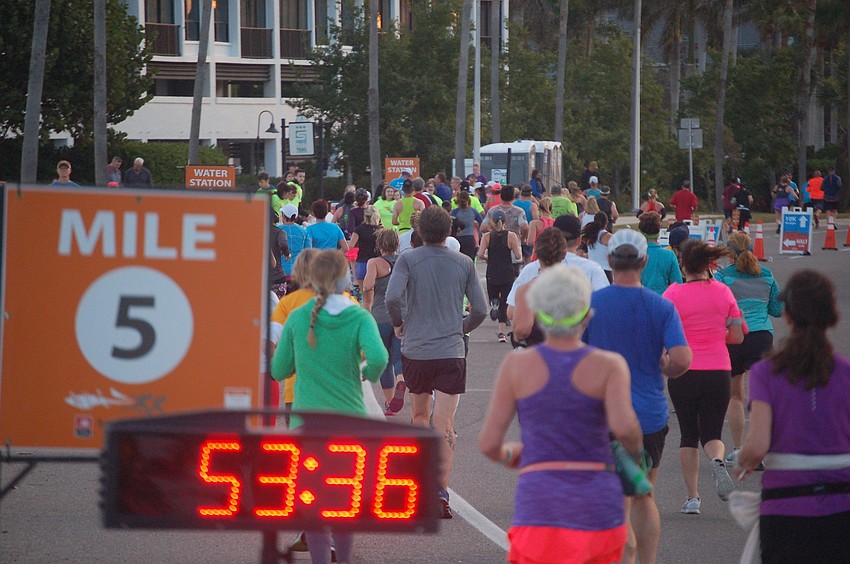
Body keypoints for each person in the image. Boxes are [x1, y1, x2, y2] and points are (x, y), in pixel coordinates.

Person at [479, 264, 644, 564]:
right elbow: (625, 428)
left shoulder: (517, 367)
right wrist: (633, 457)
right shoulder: (609, 365)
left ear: (540, 314)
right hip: (597, 501)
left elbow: (490, 444)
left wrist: (514, 454)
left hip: (540, 501)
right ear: (587, 315)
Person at [271, 250, 387, 564]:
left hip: (306, 424)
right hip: (350, 422)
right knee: (344, 502)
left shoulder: (297, 316)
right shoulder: (358, 315)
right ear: (344, 278)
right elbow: (378, 358)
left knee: (313, 503)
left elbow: (279, 370)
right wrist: (366, 374)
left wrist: (300, 364)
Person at [583, 227, 692, 562]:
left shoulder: (590, 305)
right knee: (644, 494)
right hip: (648, 415)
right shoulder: (661, 306)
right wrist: (664, 366)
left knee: (611, 498)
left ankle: (622, 554)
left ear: (610, 261)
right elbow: (682, 360)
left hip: (602, 416)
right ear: (644, 261)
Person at [735, 270, 850, 564]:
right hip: (842, 505)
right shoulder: (846, 373)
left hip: (785, 506)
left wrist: (745, 461)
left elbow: (757, 445)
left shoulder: (766, 373)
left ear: (786, 315)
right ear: (832, 316)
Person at [385, 206, 488, 519]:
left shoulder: (408, 259)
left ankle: (419, 484)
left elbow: (391, 297)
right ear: (450, 231)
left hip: (416, 348)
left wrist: (399, 323)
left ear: (420, 232)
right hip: (450, 350)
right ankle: (441, 491)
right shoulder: (463, 263)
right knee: (445, 423)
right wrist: (461, 328)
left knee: (419, 415)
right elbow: (481, 309)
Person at [663, 240, 745, 512]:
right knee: (711, 432)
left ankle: (693, 498)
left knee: (688, 433)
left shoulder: (672, 295)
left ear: (682, 264)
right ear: (709, 264)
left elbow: (662, 335)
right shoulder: (724, 293)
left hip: (684, 370)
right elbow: (737, 335)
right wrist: (714, 336)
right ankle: (718, 460)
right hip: (719, 370)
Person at [715, 232, 783, 461]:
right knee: (760, 396)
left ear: (729, 254)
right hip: (762, 337)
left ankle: (737, 448)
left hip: (735, 336)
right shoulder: (767, 275)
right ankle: (760, 449)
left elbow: (718, 309)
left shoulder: (723, 276)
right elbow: (778, 310)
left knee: (735, 395)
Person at [361, 229, 406, 416]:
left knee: (385, 360)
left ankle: (389, 403)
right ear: (397, 244)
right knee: (398, 356)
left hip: (380, 315)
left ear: (379, 244)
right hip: (403, 315)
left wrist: (367, 300)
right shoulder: (405, 262)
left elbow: (367, 285)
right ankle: (401, 378)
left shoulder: (374, 263)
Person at [510, 227, 567, 348]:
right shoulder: (578, 287)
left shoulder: (528, 290)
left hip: (538, 355)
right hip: (571, 356)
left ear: (536, 252)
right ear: (563, 254)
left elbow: (522, 329)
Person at [478, 209, 522, 343]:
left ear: (491, 221)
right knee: (505, 304)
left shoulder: (486, 236)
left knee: (494, 296)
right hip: (507, 272)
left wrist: (488, 258)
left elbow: (480, 254)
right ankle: (502, 333)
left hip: (492, 271)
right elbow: (518, 256)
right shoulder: (511, 236)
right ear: (505, 221)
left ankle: (493, 303)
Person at [639, 212, 682, 294]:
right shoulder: (669, 255)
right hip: (662, 300)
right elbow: (677, 285)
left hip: (638, 300)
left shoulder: (633, 254)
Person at [348, 204, 382, 290]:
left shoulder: (359, 229)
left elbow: (351, 245)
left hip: (362, 262)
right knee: (375, 293)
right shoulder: (380, 230)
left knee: (364, 294)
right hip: (376, 263)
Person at [278, 203, 309, 288]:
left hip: (281, 272)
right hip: (298, 271)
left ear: (283, 216)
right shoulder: (303, 231)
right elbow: (308, 251)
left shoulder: (278, 230)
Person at [451, 191, 483, 262]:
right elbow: (482, 223)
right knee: (469, 261)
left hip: (458, 239)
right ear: (468, 200)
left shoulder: (455, 212)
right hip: (470, 238)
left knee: (458, 262)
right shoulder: (473, 211)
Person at [581, 212, 613, 283]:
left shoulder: (590, 235)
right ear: (606, 223)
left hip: (591, 270)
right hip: (605, 271)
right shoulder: (607, 236)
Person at [268, 208, 291, 298]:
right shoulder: (279, 232)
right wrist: (287, 254)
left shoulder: (256, 232)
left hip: (260, 278)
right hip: (277, 277)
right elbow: (283, 244)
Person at [525, 196, 555, 261]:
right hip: (553, 255)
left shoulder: (534, 223)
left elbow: (530, 242)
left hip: (538, 255)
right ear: (551, 209)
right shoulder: (556, 222)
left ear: (539, 210)